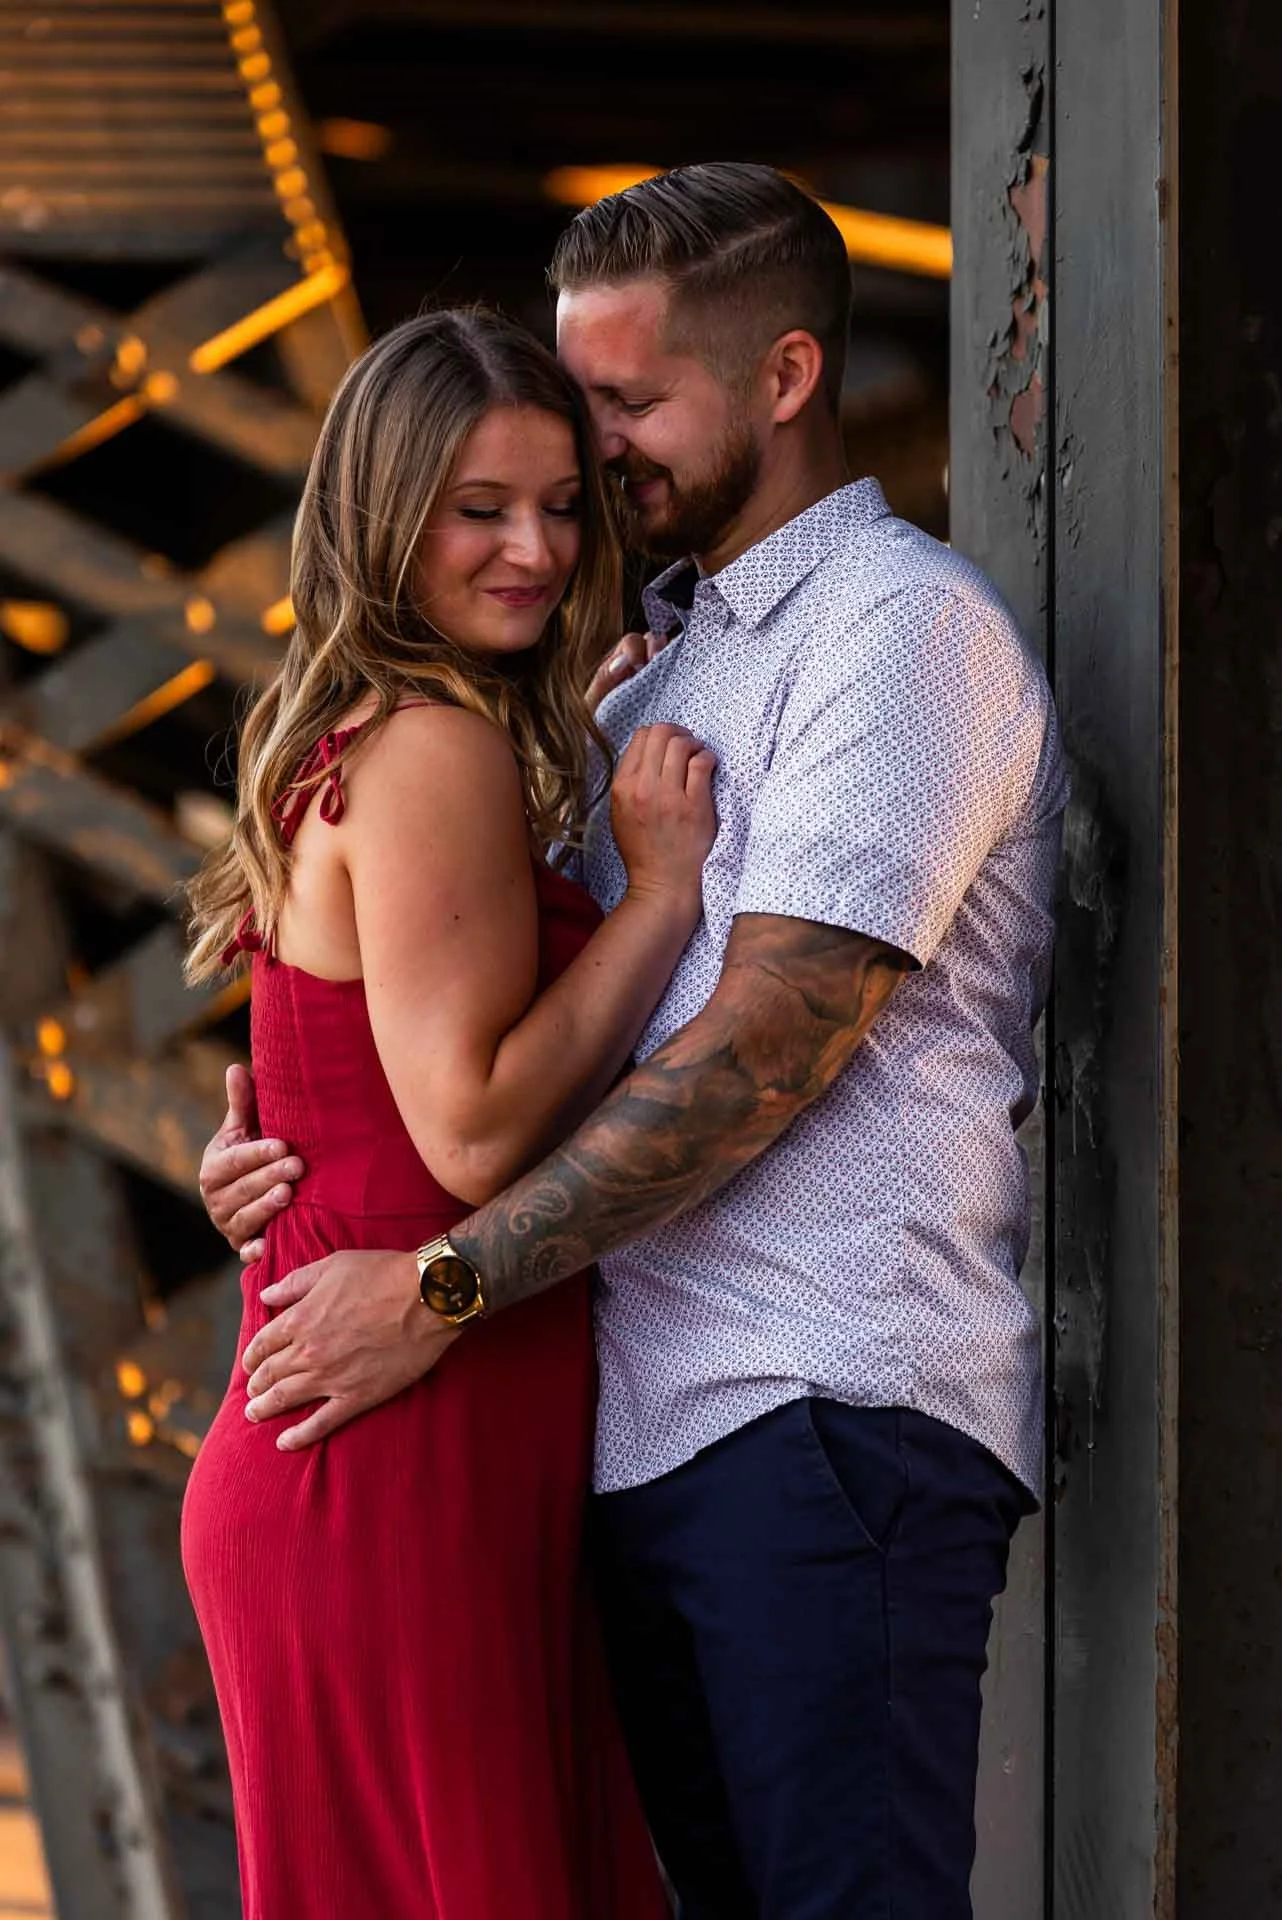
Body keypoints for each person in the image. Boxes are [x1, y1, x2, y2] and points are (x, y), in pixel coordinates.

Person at [201, 165, 1069, 1920]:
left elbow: (758, 1054)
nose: (588, 473)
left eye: (620, 407)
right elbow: (461, 1033)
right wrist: (295, 1138)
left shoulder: (894, 637)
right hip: (633, 1439)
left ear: (785, 377)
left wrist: (435, 1282)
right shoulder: (639, 679)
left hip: (816, 1414)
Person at [180, 307, 718, 1920]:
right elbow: (469, 1134)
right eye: (477, 508)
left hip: (384, 1435)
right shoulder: (432, 752)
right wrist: (661, 898)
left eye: (562, 503)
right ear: (380, 513)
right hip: (399, 1450)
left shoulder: (382, 733)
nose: (535, 548)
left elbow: (354, 1094)